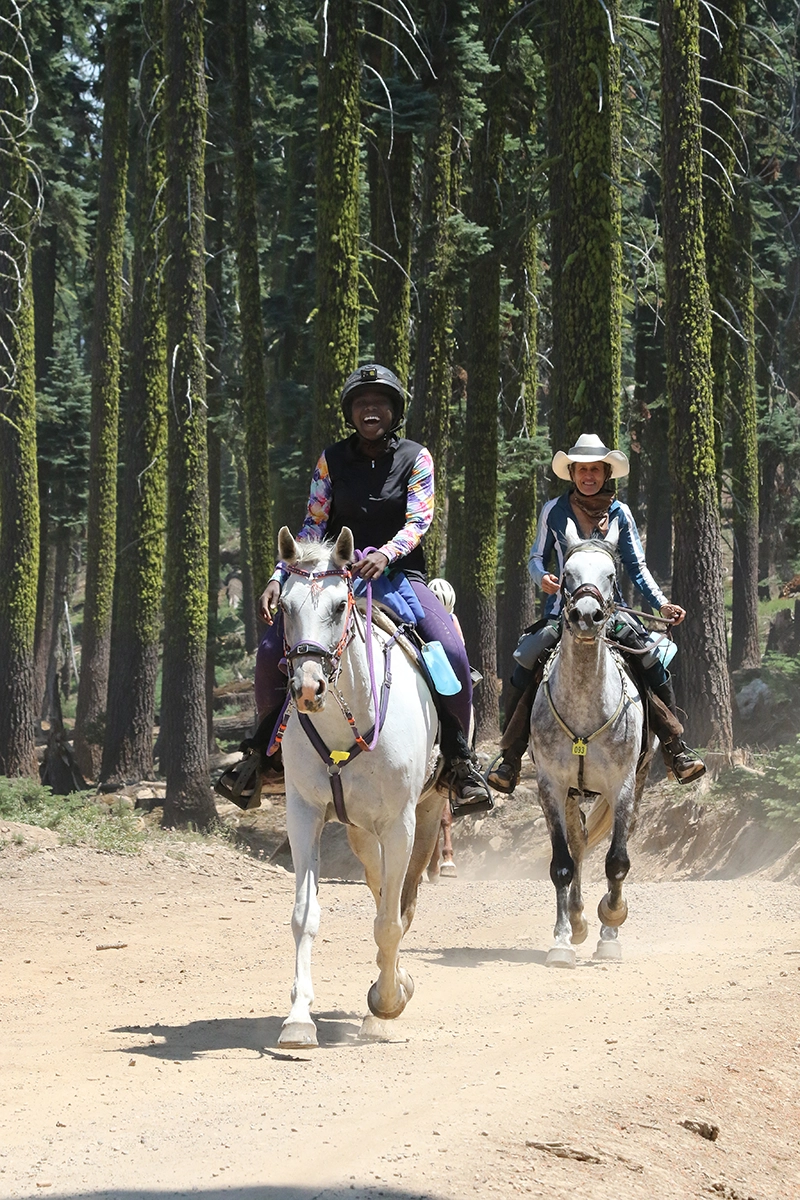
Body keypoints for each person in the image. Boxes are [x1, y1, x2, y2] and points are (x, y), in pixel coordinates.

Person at [216, 363, 492, 814]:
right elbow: (312, 524)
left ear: (394, 411)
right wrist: (277, 575)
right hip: (331, 579)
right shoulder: (331, 460)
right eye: (362, 403)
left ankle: (459, 761)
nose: (371, 410)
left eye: (380, 402)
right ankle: (262, 757)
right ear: (350, 412)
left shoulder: (416, 458)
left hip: (399, 577)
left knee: (449, 650)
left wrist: (386, 553)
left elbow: (419, 518)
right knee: (271, 650)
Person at [486, 432, 706, 794]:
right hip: (562, 613)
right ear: (572, 473)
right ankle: (510, 756)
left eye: (595, 470)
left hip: (612, 613)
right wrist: (542, 578)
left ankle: (674, 747)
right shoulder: (553, 510)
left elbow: (637, 567)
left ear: (606, 473)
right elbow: (535, 558)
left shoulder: (621, 513)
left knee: (650, 660)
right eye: (581, 469)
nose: (588, 476)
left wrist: (661, 603)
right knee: (526, 659)